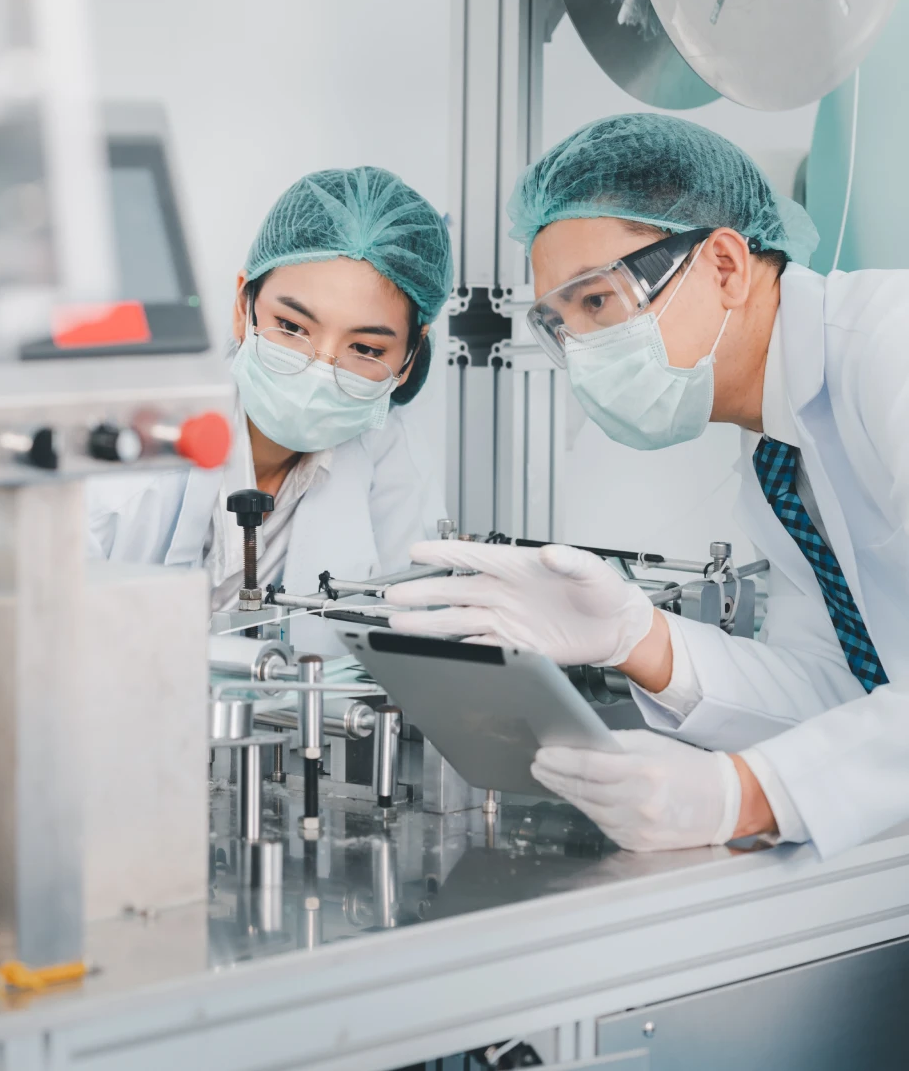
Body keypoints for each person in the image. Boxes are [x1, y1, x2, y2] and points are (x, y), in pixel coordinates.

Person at [386, 114, 908, 859]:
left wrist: (745, 797)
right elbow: (838, 693)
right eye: (560, 324)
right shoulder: (775, 464)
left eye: (598, 303)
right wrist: (639, 639)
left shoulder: (893, 350)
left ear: (726, 265)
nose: (585, 352)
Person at [88, 166, 451, 652]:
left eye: (365, 349)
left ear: (407, 361)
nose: (320, 369)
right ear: (244, 306)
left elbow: (408, 649)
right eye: (292, 327)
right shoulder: (123, 463)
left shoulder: (395, 463)